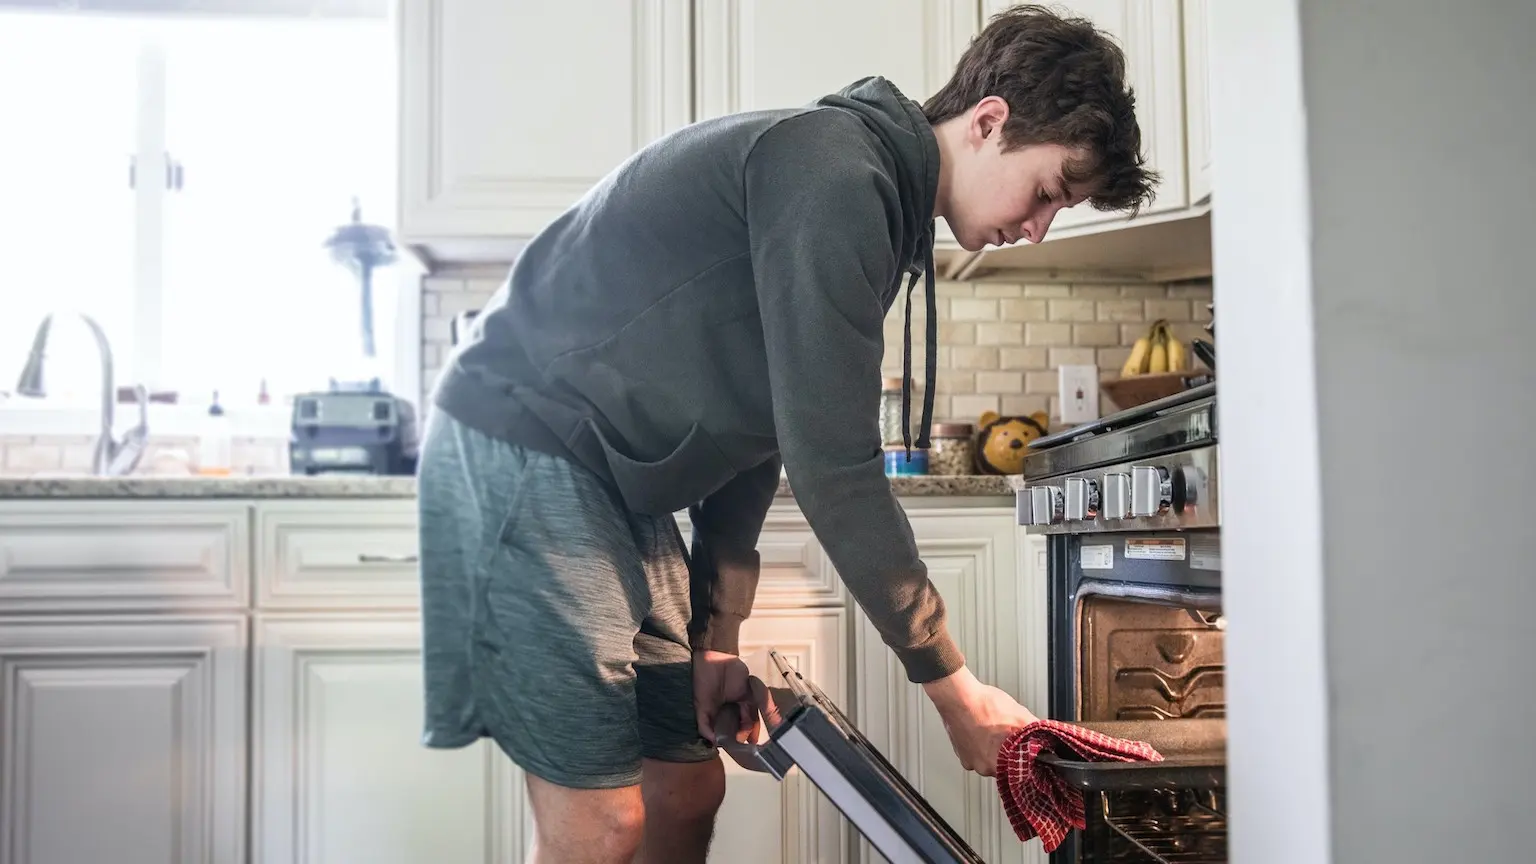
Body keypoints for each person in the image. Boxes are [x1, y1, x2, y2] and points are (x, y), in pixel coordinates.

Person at [415, 4, 1157, 862]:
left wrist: (716, 637)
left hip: (612, 486)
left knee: (687, 792)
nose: (1036, 228)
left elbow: (761, 431)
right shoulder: (836, 173)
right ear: (989, 122)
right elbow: (833, 464)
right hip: (524, 447)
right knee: (602, 825)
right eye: (1046, 193)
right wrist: (957, 692)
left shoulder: (871, 201)